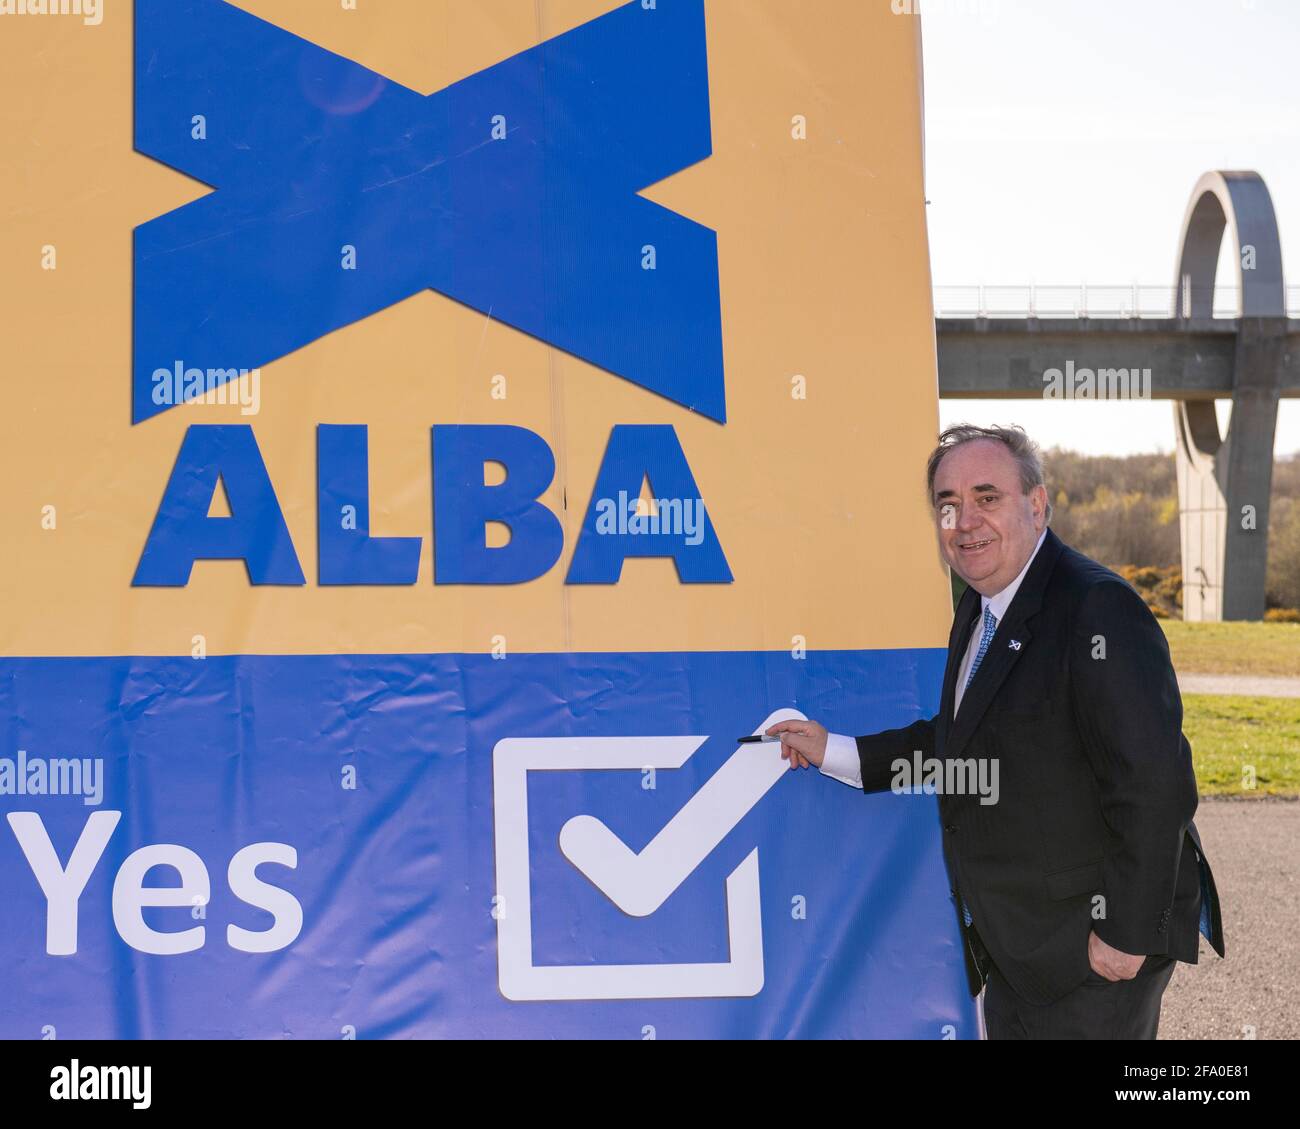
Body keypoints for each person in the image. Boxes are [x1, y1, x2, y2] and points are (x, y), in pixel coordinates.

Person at [770, 424, 1224, 1039]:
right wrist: (837, 753)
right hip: (1022, 951)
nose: (964, 521)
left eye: (987, 497)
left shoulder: (1096, 608)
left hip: (1093, 957)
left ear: (1036, 505)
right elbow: (963, 744)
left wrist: (1124, 934)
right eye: (948, 505)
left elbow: (1156, 784)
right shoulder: (982, 606)